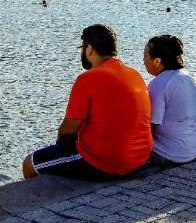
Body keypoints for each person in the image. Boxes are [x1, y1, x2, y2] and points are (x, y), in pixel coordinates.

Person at [22, 24, 152, 180]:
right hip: (140, 159)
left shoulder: (87, 79)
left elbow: (67, 131)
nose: (82, 52)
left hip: (109, 164)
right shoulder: (133, 74)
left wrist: (60, 148)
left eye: (82, 48)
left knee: (30, 164)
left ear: (89, 49)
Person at [142, 36, 196, 164]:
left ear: (157, 61)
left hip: (171, 153)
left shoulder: (158, 84)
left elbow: (149, 125)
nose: (143, 61)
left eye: (145, 57)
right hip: (194, 148)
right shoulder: (186, 76)